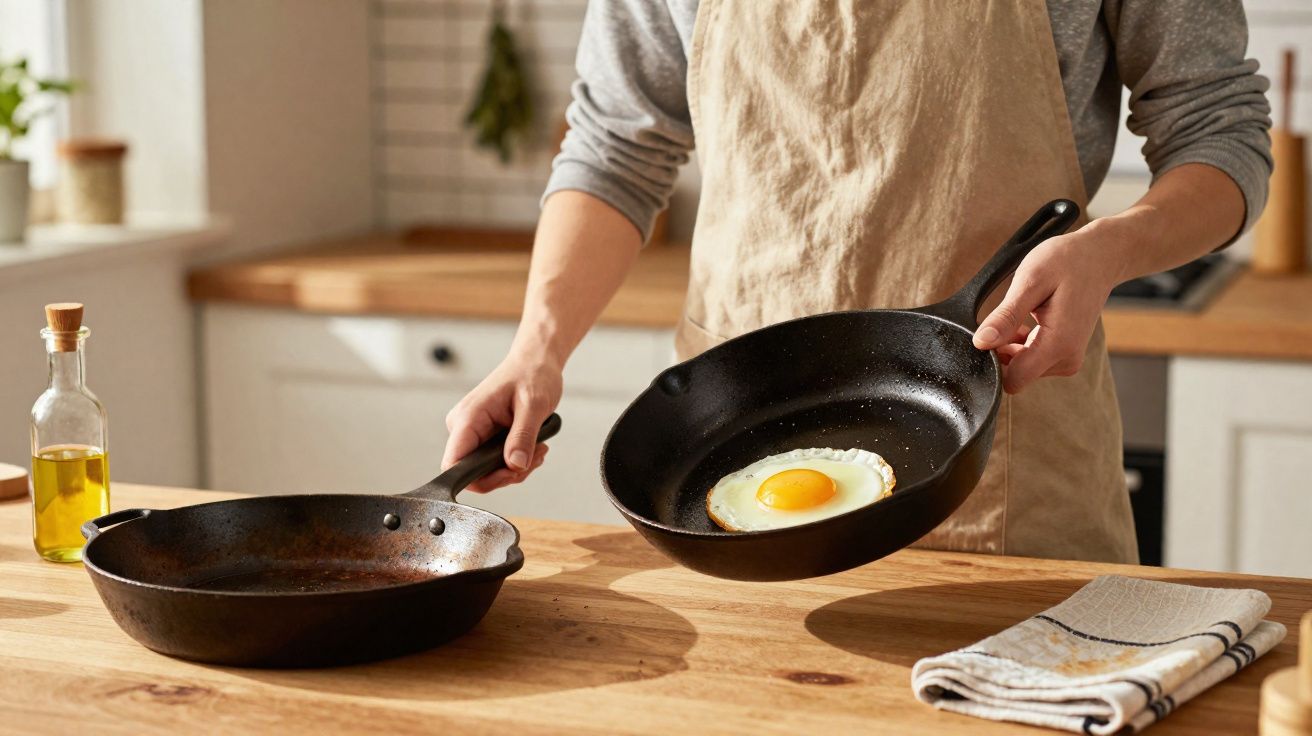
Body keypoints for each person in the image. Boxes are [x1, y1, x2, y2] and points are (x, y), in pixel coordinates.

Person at [441, 0, 1272, 563]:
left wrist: (1110, 249)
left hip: (1006, 442)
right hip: (734, 450)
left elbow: (1219, 130)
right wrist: (536, 349)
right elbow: (617, 145)